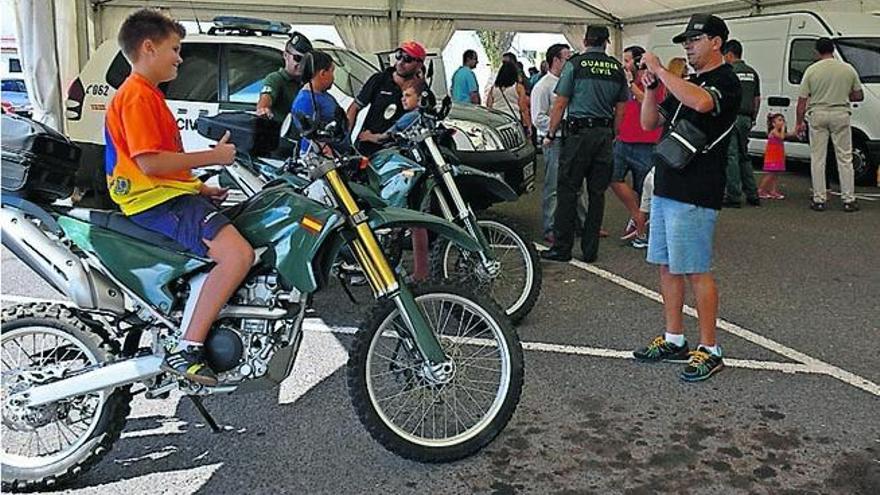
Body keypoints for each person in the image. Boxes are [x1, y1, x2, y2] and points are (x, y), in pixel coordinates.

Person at [105, 9, 255, 385]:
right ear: (149, 47)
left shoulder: (147, 95)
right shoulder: (137, 96)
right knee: (237, 255)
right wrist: (215, 158)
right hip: (154, 202)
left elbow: (161, 166)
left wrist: (201, 187)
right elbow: (150, 163)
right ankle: (187, 348)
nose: (180, 57)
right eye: (175, 48)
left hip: (166, 196)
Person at [633, 13, 742, 382]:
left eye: (695, 40)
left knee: (696, 269)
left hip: (696, 189)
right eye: (685, 42)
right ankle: (674, 337)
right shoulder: (688, 81)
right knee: (667, 265)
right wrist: (650, 88)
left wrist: (663, 73)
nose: (688, 47)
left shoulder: (726, 80)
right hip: (668, 184)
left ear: (717, 42)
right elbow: (650, 123)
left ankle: (710, 348)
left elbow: (702, 104)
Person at [540, 25, 628, 264]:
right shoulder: (616, 68)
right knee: (597, 193)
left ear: (586, 40)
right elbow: (621, 108)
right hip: (604, 135)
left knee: (568, 191)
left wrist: (550, 133)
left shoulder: (575, 65)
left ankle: (562, 247)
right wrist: (613, 133)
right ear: (607, 42)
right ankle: (590, 251)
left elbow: (560, 104)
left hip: (578, 136)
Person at [795, 37, 864, 212]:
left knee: (818, 158)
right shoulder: (847, 69)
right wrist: (843, 94)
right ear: (833, 50)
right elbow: (858, 95)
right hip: (840, 113)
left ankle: (819, 199)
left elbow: (802, 100)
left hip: (817, 114)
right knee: (844, 158)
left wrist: (799, 122)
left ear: (817, 51)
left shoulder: (811, 71)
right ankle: (849, 199)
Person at [530, 43, 588, 244]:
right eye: (567, 59)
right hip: (554, 139)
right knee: (553, 184)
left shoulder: (570, 82)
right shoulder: (543, 86)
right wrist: (559, 124)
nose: (571, 63)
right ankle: (550, 227)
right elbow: (538, 118)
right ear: (556, 60)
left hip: (570, 137)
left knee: (577, 183)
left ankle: (582, 223)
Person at [612, 45, 665, 248]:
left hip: (647, 142)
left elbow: (649, 103)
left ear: (638, 61)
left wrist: (632, 85)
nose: (624, 65)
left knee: (645, 191)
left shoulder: (653, 79)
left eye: (627, 61)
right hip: (624, 138)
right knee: (613, 177)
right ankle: (638, 218)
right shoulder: (626, 83)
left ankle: (644, 231)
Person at [347, 40, 427, 157]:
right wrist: (346, 140)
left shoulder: (422, 89)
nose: (400, 62)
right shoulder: (379, 79)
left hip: (402, 152)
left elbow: (423, 118)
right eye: (399, 56)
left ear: (419, 65)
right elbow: (354, 108)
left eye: (407, 58)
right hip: (369, 149)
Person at [721, 39, 762, 208]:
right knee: (744, 156)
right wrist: (753, 117)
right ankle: (753, 194)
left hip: (731, 118)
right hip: (746, 118)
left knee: (731, 156)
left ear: (729, 54)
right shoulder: (752, 72)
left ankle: (734, 196)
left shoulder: (728, 72)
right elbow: (757, 99)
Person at [291, 51, 352, 156]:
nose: (333, 77)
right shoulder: (305, 101)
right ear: (323, 73)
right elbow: (309, 134)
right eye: (332, 72)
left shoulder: (322, 94)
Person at [255, 32, 312, 124]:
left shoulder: (308, 82)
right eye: (297, 58)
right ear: (285, 55)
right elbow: (266, 98)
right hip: (281, 133)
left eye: (306, 60)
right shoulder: (275, 79)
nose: (301, 64)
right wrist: (263, 109)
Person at [358, 80, 426, 144]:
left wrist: (369, 136)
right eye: (403, 96)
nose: (403, 99)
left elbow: (384, 138)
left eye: (408, 95)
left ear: (419, 98)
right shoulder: (423, 116)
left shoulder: (413, 116)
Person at [486, 61, 532, 135]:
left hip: (497, 120)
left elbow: (489, 106)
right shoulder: (518, 88)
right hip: (513, 120)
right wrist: (528, 125)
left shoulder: (493, 88)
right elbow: (523, 109)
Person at [759, 113, 794, 199]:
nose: (782, 122)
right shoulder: (774, 131)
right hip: (772, 157)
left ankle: (773, 190)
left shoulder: (779, 131)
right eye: (779, 120)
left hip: (778, 156)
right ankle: (761, 190)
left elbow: (788, 135)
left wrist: (796, 131)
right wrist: (782, 129)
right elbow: (781, 137)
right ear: (773, 123)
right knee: (770, 174)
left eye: (783, 120)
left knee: (775, 174)